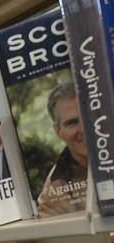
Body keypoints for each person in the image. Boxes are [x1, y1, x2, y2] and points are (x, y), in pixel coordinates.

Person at [37, 82, 88, 217]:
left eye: (89, 116)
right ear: (58, 131)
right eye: (72, 123)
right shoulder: (54, 188)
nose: (83, 130)